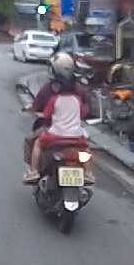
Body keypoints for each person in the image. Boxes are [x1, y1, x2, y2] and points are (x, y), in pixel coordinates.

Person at [24, 53, 92, 184]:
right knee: (86, 148)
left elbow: (45, 113)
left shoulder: (51, 93)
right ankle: (89, 173)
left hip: (54, 132)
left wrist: (35, 111)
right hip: (76, 133)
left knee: (34, 142)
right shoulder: (78, 94)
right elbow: (85, 112)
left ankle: (34, 171)